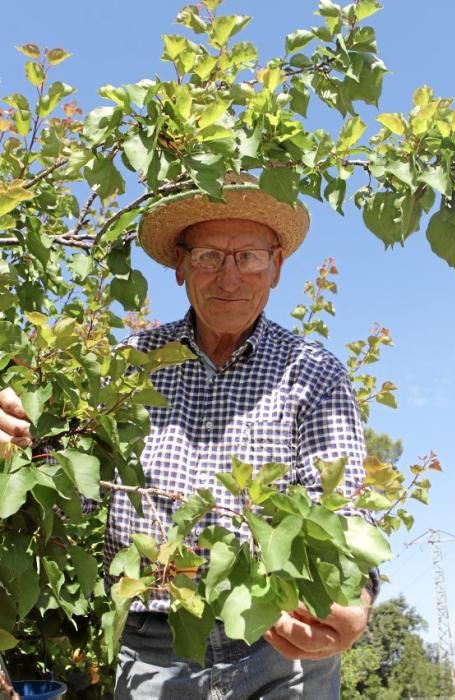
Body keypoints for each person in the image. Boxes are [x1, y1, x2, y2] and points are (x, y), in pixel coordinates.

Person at [0, 174, 378, 699]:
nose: (229, 277)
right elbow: (76, 503)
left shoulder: (313, 373)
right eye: (207, 256)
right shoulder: (128, 366)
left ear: (276, 268)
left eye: (248, 256)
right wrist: (24, 453)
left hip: (280, 646)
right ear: (180, 266)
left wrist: (357, 589)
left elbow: (340, 507)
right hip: (155, 651)